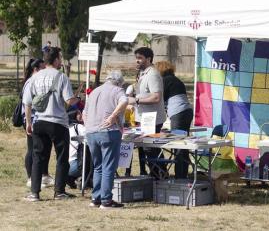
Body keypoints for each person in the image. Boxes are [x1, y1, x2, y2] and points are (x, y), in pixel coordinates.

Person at [23, 47, 82, 201]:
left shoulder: (34, 78)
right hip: (58, 122)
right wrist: (79, 99)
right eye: (60, 59)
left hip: (39, 121)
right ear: (56, 60)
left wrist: (29, 122)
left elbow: (27, 103)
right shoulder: (61, 77)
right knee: (62, 157)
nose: (61, 61)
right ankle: (59, 191)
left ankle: (34, 192)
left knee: (38, 157)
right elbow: (69, 100)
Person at [83, 70, 128, 209]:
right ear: (119, 82)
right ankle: (106, 200)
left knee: (98, 167)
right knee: (108, 166)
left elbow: (84, 114)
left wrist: (90, 125)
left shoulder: (94, 91)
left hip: (91, 132)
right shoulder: (118, 90)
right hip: (108, 132)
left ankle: (96, 198)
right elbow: (125, 101)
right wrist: (113, 116)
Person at [128, 47, 166, 175]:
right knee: (148, 149)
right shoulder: (143, 73)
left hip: (152, 118)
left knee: (151, 149)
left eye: (140, 58)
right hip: (143, 117)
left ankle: (158, 176)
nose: (137, 61)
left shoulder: (153, 74)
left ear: (148, 59)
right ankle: (156, 175)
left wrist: (136, 101)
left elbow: (156, 97)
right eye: (136, 58)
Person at [156, 61, 193, 179]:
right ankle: (182, 173)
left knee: (178, 144)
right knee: (182, 143)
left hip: (178, 113)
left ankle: (180, 176)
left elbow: (160, 99)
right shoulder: (175, 79)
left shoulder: (165, 80)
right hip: (186, 111)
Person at [22, 58, 55, 189]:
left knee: (44, 148)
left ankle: (44, 175)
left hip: (41, 119)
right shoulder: (30, 82)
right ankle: (31, 177)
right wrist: (28, 122)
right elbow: (27, 104)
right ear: (36, 69)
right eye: (42, 68)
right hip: (32, 120)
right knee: (32, 149)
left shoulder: (38, 80)